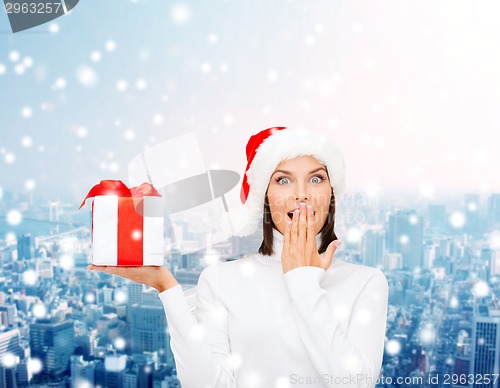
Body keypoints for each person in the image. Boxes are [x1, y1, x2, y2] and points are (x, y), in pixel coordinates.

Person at [87, 127, 389, 388]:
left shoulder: (365, 283)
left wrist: (304, 281)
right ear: (264, 197)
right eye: (283, 180)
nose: (302, 194)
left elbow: (356, 383)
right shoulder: (221, 281)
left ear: (332, 191)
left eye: (316, 178)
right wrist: (167, 288)